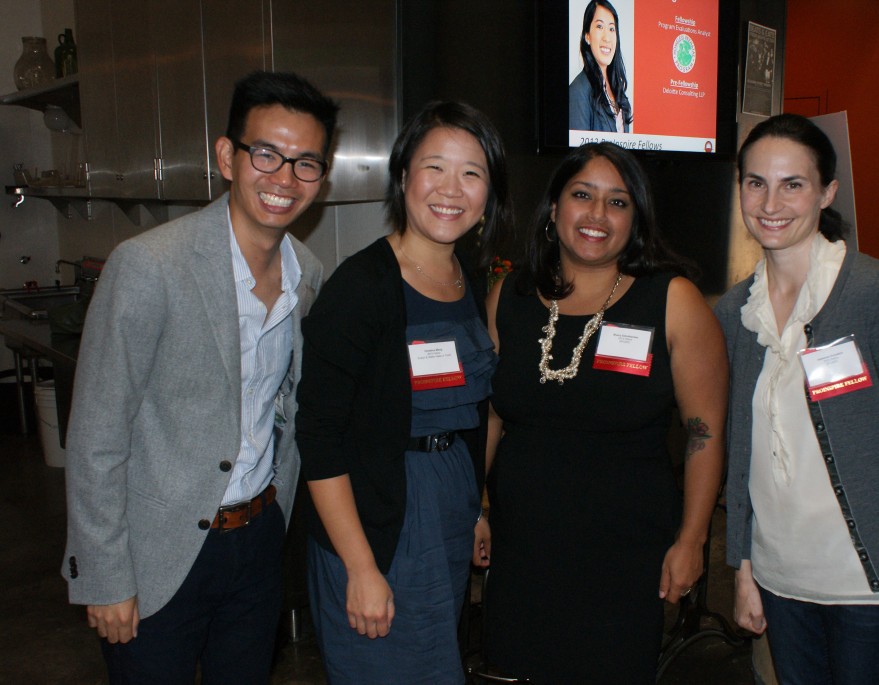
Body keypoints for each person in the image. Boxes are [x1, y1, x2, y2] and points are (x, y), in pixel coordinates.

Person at [61, 71, 337, 683]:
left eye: (306, 163)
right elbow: (96, 434)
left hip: (259, 541)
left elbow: (285, 409)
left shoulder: (308, 273)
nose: (284, 179)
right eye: (266, 154)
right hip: (159, 552)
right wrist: (104, 577)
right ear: (227, 157)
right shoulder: (148, 266)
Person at [715, 113, 879, 685]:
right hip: (780, 579)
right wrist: (743, 568)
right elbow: (741, 455)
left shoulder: (876, 295)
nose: (771, 202)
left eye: (792, 184)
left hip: (868, 590)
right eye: (755, 182)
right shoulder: (734, 313)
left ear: (827, 193)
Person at [481, 142, 727, 683]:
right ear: (554, 208)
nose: (596, 215)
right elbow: (492, 416)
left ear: (636, 218)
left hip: (624, 556)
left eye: (617, 203)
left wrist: (692, 541)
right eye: (582, 195)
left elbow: (704, 435)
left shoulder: (672, 300)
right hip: (524, 548)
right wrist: (476, 507)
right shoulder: (511, 296)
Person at [295, 101, 513, 684]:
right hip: (377, 516)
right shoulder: (361, 288)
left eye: (472, 173)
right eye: (434, 167)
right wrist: (360, 567)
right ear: (403, 177)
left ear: (489, 193)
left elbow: (471, 411)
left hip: (447, 507)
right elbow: (318, 438)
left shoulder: (465, 276)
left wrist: (476, 507)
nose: (451, 189)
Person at [569, 0, 632, 133]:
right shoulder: (578, 91)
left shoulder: (619, 92)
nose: (607, 38)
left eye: (611, 29)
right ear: (587, 36)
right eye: (599, 27)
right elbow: (581, 153)